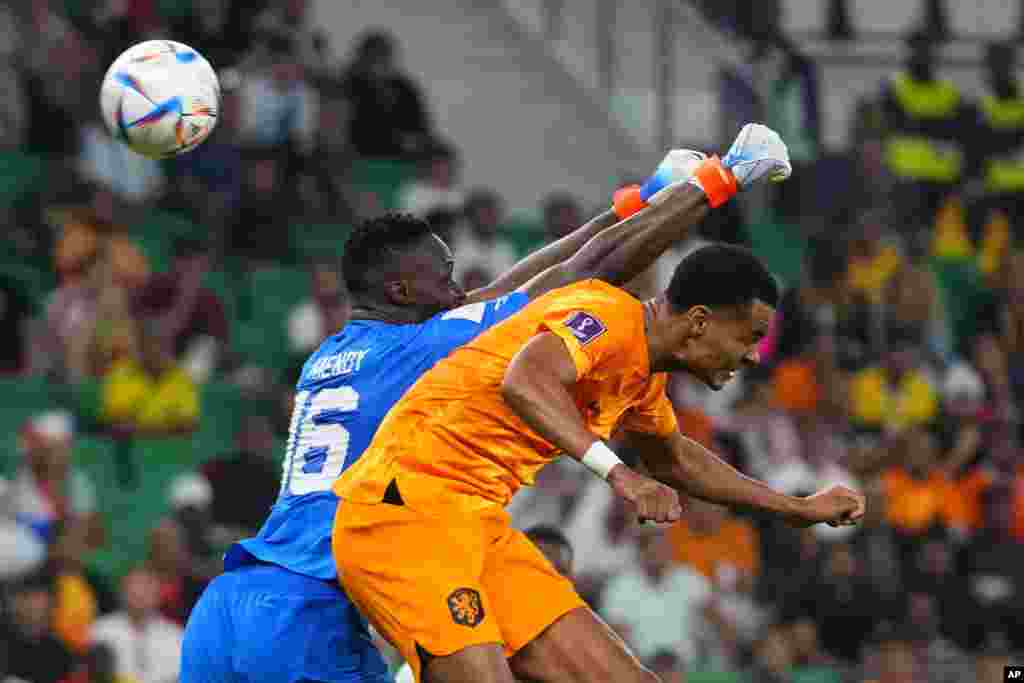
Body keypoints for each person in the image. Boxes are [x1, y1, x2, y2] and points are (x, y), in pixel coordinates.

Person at [181, 123, 793, 683]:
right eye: (443, 278)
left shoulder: (333, 356)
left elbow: (512, 288)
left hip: (233, 600)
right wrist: (715, 181)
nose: (461, 290)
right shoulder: (430, 347)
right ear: (400, 289)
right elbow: (581, 274)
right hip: (313, 604)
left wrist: (634, 202)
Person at [331, 249, 864, 680]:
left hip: (474, 525)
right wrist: (620, 475)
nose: (753, 356)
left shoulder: (644, 378)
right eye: (750, 337)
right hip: (401, 513)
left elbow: (674, 457)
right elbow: (526, 379)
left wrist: (794, 507)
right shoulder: (608, 316)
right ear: (699, 322)